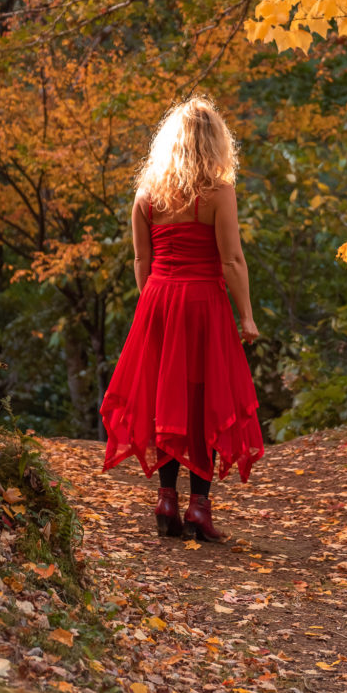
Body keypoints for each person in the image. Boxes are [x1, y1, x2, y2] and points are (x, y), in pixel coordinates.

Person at [100, 96, 264, 541]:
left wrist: (154, 306)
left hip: (158, 299)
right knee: (202, 400)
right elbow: (231, 260)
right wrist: (246, 316)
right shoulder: (218, 192)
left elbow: (141, 259)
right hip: (203, 303)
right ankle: (199, 508)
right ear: (216, 143)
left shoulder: (146, 195)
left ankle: (166, 500)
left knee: (166, 401)